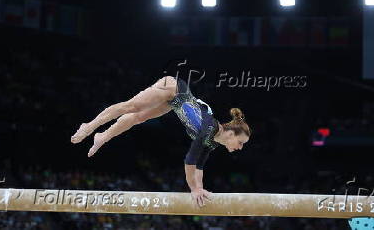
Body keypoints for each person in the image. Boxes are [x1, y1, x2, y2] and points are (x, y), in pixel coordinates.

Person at [71, 76, 252, 207]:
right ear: (230, 134)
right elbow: (189, 160)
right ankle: (89, 126)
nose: (240, 147)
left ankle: (103, 136)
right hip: (173, 87)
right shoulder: (210, 129)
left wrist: (200, 187)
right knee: (132, 106)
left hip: (173, 102)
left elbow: (199, 166)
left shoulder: (212, 141)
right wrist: (194, 189)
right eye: (241, 142)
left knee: (138, 117)